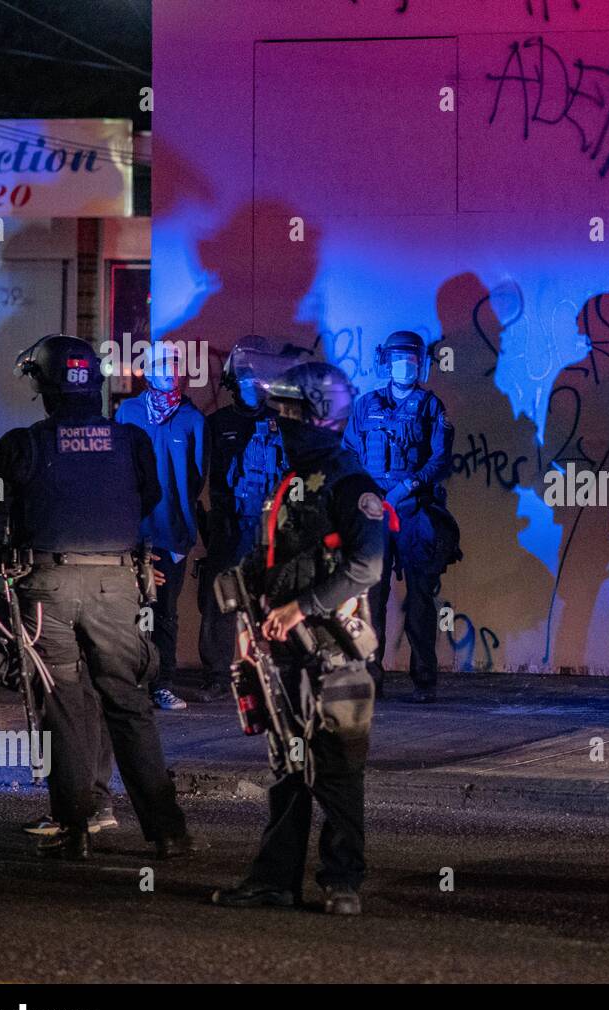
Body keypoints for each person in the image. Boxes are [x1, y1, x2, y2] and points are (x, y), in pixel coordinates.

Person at [0, 334, 192, 860]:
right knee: (129, 704)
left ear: (42, 386)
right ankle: (167, 831)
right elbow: (149, 497)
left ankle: (75, 827)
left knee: (63, 708)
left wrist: (0, 561)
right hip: (118, 585)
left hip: (46, 588)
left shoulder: (20, 446)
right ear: (96, 382)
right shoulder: (132, 441)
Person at [212, 360, 389, 915]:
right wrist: (248, 598)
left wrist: (299, 608)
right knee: (286, 768)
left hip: (334, 650)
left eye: (290, 411)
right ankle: (274, 881)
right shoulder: (293, 478)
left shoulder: (352, 484)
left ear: (319, 414)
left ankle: (342, 883)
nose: (280, 421)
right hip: (283, 651)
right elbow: (279, 557)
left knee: (337, 769)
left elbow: (366, 567)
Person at [343, 331, 458, 704]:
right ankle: (369, 678)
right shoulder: (365, 406)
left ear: (421, 363)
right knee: (370, 600)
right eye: (399, 358)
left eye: (411, 359)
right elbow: (348, 454)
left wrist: (407, 487)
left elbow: (440, 460)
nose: (405, 365)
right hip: (374, 513)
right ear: (385, 361)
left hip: (414, 512)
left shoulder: (430, 406)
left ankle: (425, 679)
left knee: (421, 599)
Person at [196, 338, 289, 702]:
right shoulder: (216, 424)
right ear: (234, 382)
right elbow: (198, 477)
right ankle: (217, 674)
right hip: (228, 524)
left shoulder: (283, 422)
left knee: (274, 601)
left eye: (258, 380)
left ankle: (275, 671)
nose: (253, 386)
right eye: (246, 379)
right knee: (220, 600)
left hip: (272, 527)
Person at [114, 344, 206, 711]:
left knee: (165, 613)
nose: (169, 372)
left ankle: (162, 683)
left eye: (174, 366)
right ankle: (131, 683)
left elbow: (197, 476)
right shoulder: (128, 412)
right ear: (147, 373)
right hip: (131, 533)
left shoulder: (193, 419)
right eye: (161, 366)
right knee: (129, 611)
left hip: (172, 534)